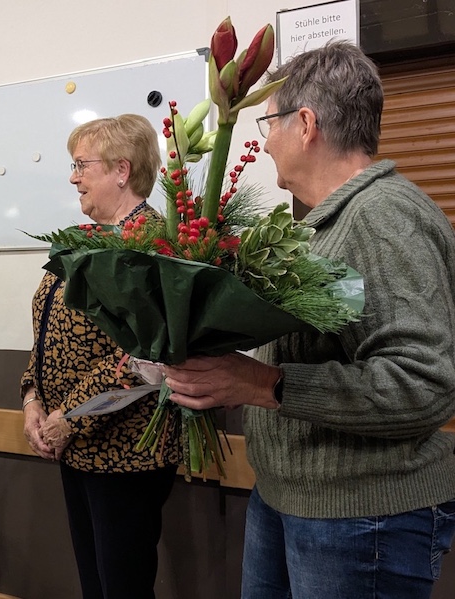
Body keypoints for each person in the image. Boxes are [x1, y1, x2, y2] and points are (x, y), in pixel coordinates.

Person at [164, 41, 455, 598]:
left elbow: (424, 383)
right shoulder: (322, 226)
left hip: (362, 518)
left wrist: (263, 383)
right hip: (291, 501)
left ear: (305, 123)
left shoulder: (383, 217)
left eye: (267, 123)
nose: (263, 141)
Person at [20, 114, 180, 599]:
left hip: (124, 454)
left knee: (122, 589)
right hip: (73, 445)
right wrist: (32, 399)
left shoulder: (152, 244)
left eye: (81, 165)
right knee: (96, 586)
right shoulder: (85, 239)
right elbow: (45, 332)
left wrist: (70, 418)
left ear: (121, 170)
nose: (73, 176)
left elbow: (145, 359)